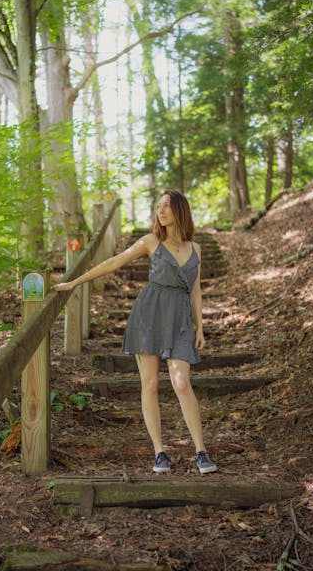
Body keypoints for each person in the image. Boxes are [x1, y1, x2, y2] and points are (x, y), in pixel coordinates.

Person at [53, 189, 218, 475]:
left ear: (180, 210)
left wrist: (199, 326)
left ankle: (201, 451)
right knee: (150, 384)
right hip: (149, 317)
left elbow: (195, 289)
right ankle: (159, 452)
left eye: (167, 206)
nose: (161, 211)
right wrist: (73, 282)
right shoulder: (151, 241)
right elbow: (113, 262)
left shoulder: (196, 248)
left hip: (179, 319)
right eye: (158, 206)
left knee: (181, 384)